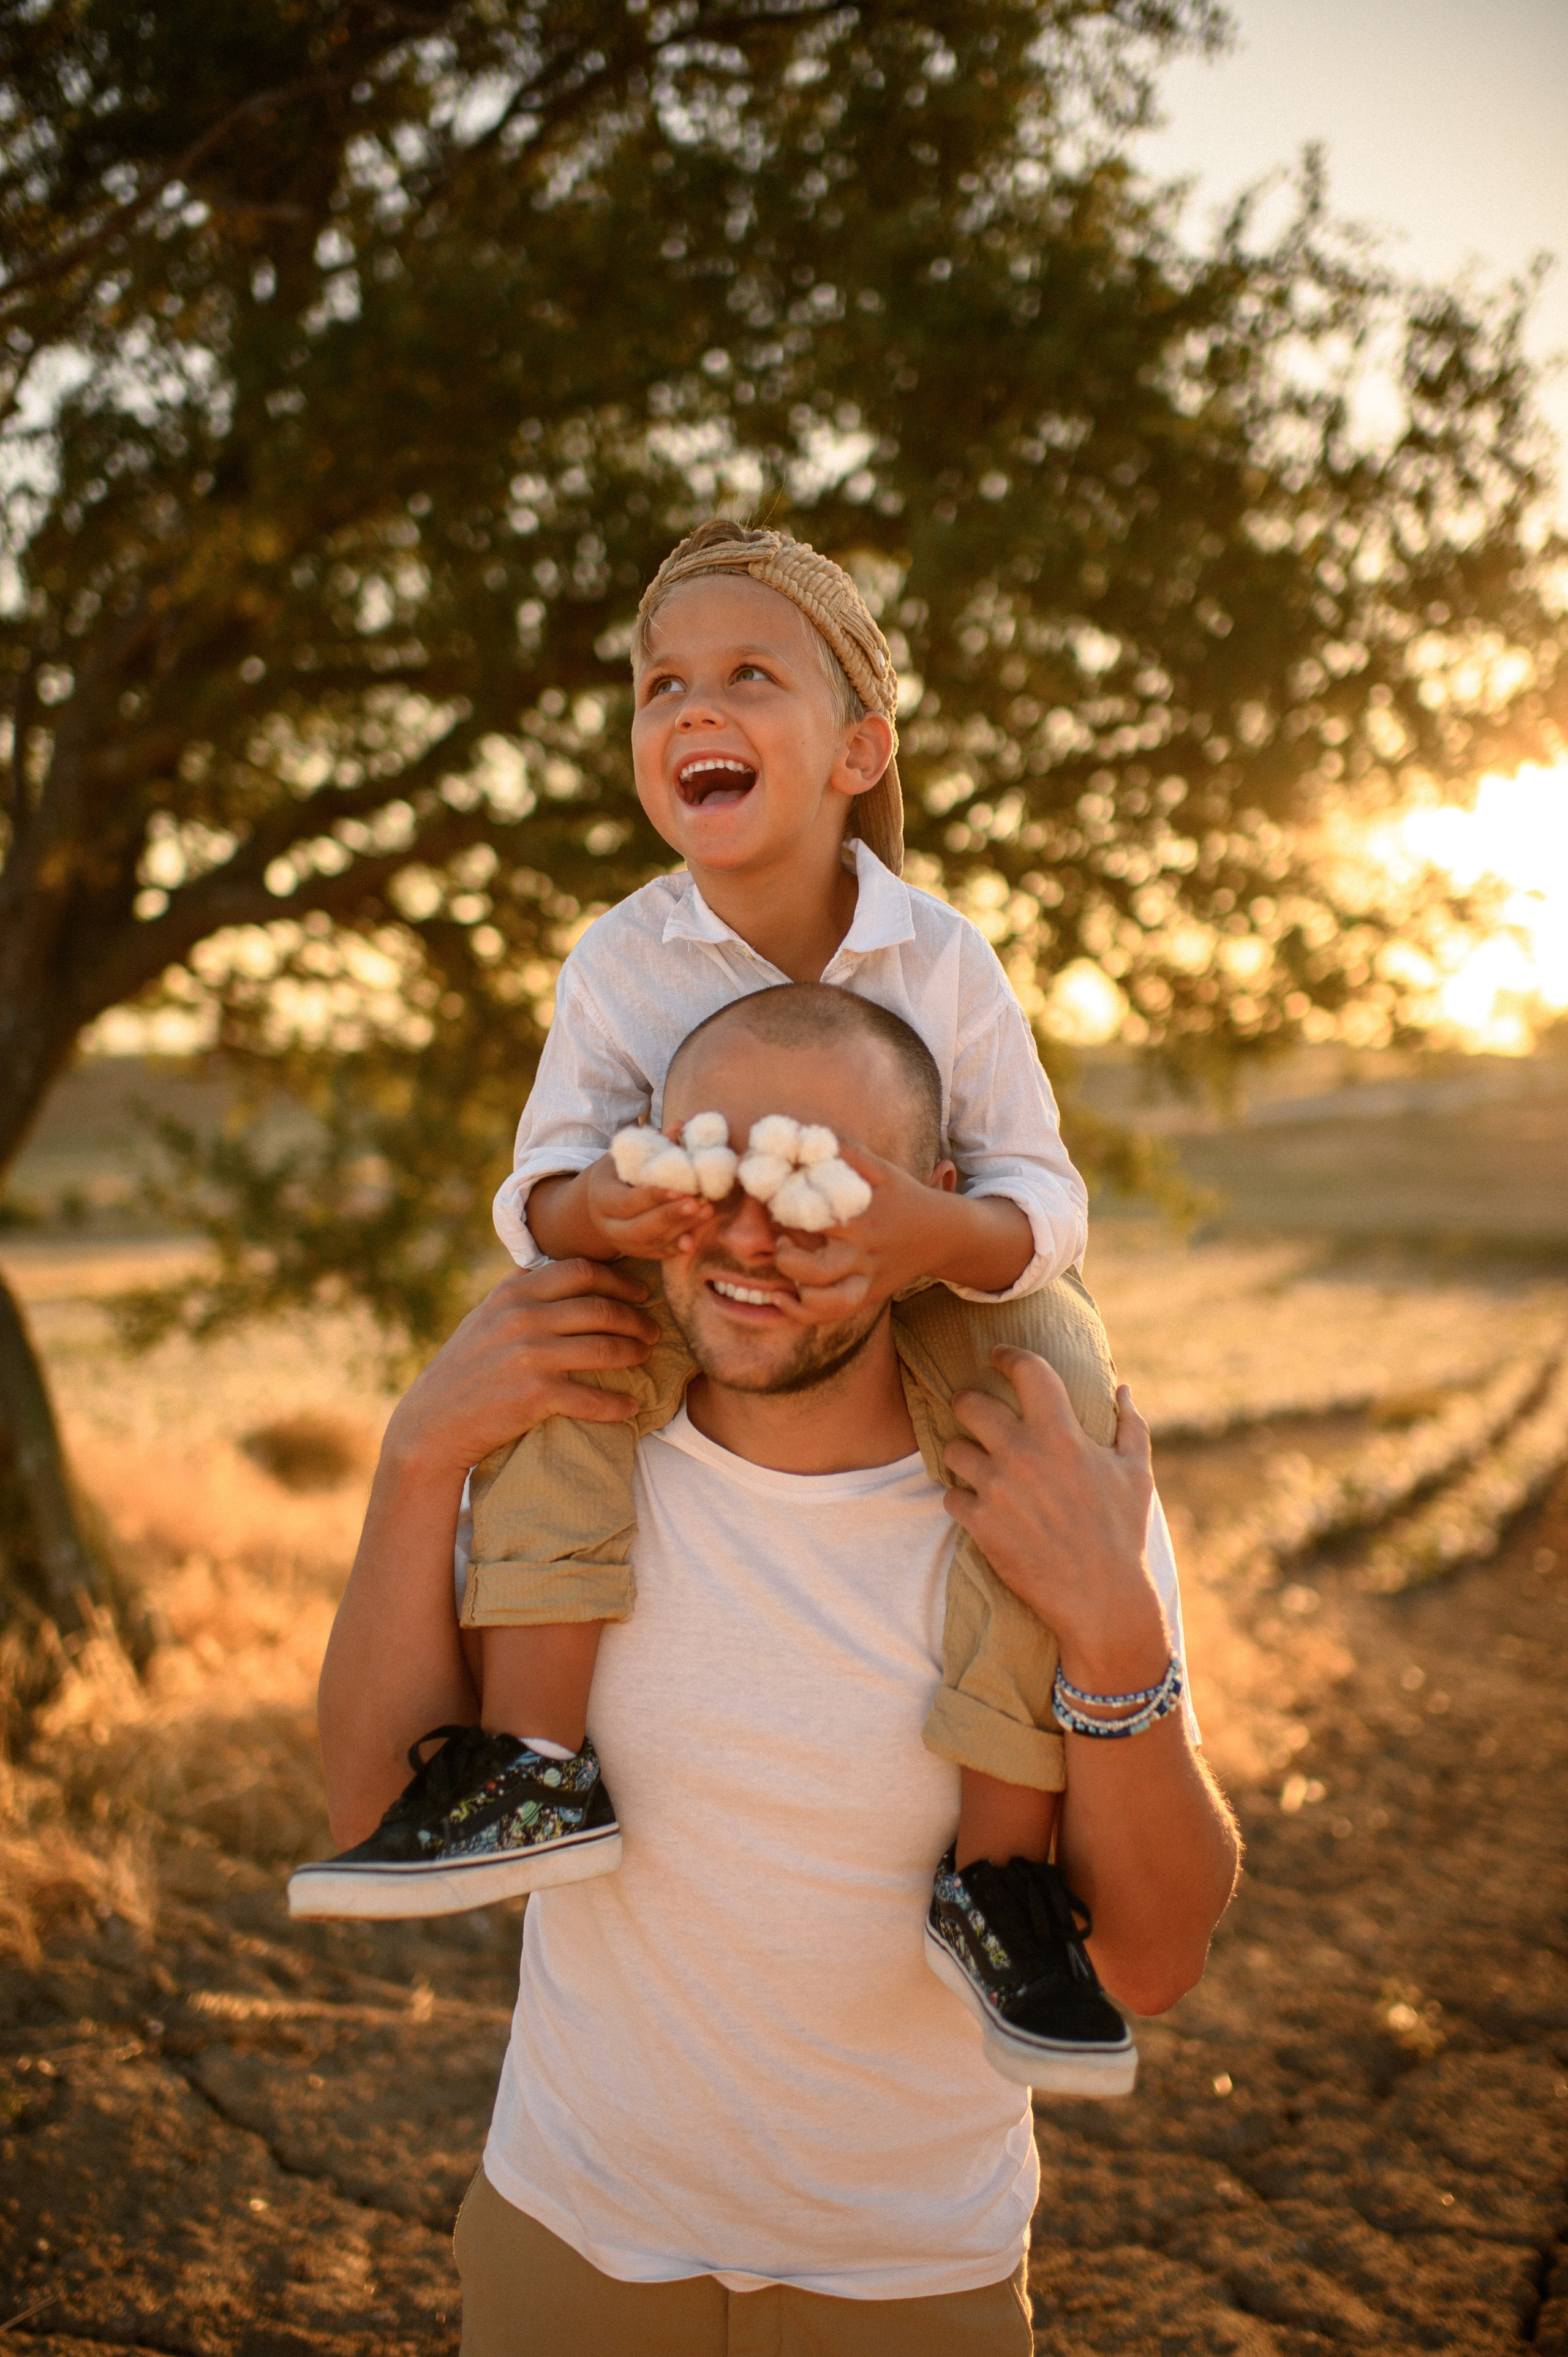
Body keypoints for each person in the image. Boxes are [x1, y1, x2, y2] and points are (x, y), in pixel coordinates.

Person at [293, 519, 1141, 2086]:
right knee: (565, 1319)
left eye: (748, 675)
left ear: (855, 746)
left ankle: (1000, 1871)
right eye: (656, 685)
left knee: (1058, 1377)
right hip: (700, 1278)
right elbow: (540, 1175)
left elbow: (1044, 1198)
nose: (692, 707)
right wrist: (597, 1211)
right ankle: (534, 1760)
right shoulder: (624, 958)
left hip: (909, 1274)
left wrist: (921, 1228)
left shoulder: (938, 958)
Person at [309, 997, 1240, 2356]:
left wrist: (1112, 1631)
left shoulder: (1047, 1491)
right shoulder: (567, 1446)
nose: (750, 1236)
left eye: (814, 1186)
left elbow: (1151, 1961)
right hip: (568, 2241)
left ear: (930, 1212)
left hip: (910, 2285)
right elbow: (362, 1812)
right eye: (710, 1173)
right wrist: (415, 1460)